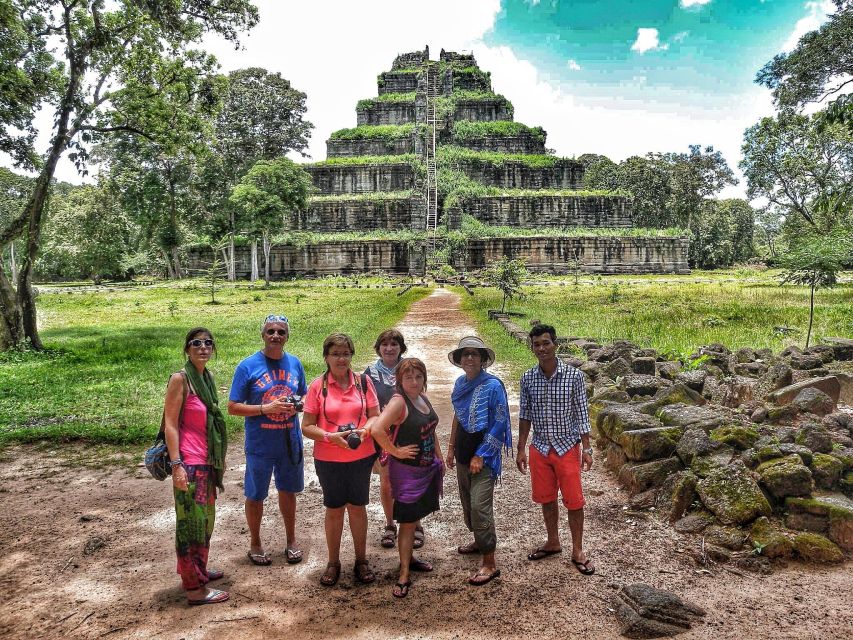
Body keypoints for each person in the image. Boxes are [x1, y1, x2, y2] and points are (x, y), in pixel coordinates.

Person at [228, 314, 307, 566]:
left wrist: (297, 406)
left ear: (287, 336)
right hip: (260, 443)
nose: (276, 336)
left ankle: (291, 541)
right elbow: (232, 407)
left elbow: (303, 397)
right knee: (255, 494)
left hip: (288, 440)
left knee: (288, 491)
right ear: (262, 335)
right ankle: (255, 543)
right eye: (271, 331)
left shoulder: (295, 363)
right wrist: (265, 408)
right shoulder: (247, 366)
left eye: (281, 332)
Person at [516, 324, 595, 576]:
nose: (541, 348)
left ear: (555, 344)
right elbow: (525, 415)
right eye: (536, 344)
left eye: (546, 343)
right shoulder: (528, 378)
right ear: (532, 348)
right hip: (540, 446)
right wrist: (521, 449)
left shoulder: (573, 376)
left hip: (567, 446)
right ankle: (552, 541)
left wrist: (587, 447)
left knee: (574, 501)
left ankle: (578, 550)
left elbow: (582, 413)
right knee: (546, 498)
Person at [302, 333, 380, 587]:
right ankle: (333, 562)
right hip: (328, 457)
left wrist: (364, 431)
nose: (341, 358)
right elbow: (307, 426)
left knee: (358, 507)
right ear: (326, 357)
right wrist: (329, 437)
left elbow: (374, 415)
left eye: (346, 353)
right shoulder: (317, 386)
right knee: (334, 509)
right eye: (335, 353)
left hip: (361, 455)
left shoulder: (363, 383)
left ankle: (361, 560)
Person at [163, 327, 229, 605]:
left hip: (207, 464)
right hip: (189, 464)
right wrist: (177, 465)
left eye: (208, 343)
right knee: (190, 526)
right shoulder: (181, 379)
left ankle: (198, 569)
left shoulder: (207, 378)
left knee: (204, 522)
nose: (203, 347)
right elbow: (170, 424)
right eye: (197, 343)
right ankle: (194, 588)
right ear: (187, 349)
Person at [369, 358, 444, 598]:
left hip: (426, 467)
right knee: (408, 521)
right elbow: (377, 430)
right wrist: (395, 451)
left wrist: (439, 458)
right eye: (409, 377)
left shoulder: (422, 398)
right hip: (407, 471)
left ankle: (409, 558)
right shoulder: (399, 402)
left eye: (419, 376)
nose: (414, 381)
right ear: (400, 380)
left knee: (414, 518)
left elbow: (431, 430)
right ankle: (403, 574)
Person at [446, 336, 512, 587]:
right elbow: (458, 417)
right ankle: (478, 540)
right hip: (463, 455)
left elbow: (500, 422)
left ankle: (490, 562)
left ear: (483, 360)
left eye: (475, 354)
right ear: (460, 360)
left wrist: (481, 455)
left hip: (483, 458)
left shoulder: (493, 386)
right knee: (466, 503)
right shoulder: (460, 384)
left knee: (479, 506)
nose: (470, 358)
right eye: (465, 354)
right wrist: (451, 449)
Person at [363, 329, 426, 550]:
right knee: (387, 481)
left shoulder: (409, 368)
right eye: (385, 344)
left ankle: (416, 523)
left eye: (394, 344)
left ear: (401, 347)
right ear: (378, 348)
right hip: (384, 435)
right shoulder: (369, 373)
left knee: (413, 479)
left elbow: (421, 396)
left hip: (410, 431)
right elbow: (365, 405)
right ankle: (390, 525)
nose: (389, 348)